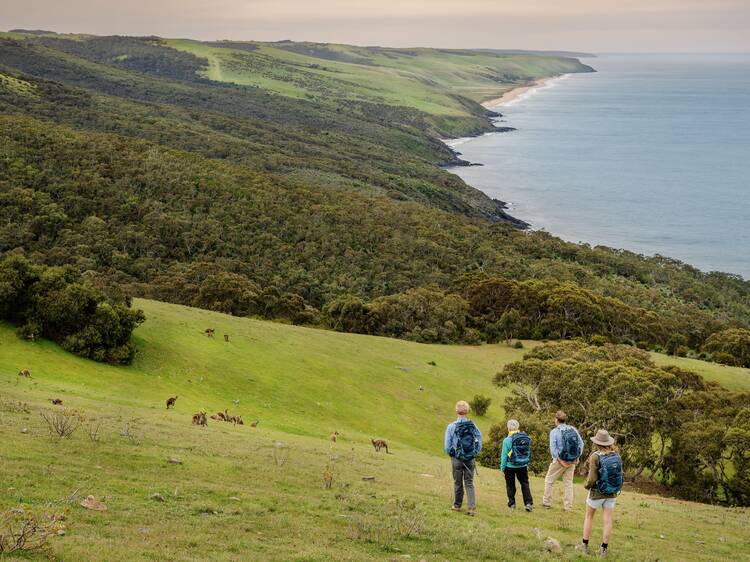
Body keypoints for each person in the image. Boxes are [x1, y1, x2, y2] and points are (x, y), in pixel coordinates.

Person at [580, 429, 623, 557]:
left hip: (597, 492)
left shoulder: (595, 456)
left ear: (597, 443)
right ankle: (603, 549)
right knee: (608, 520)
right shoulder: (616, 455)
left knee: (589, 517)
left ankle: (584, 546)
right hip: (612, 492)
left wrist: (587, 486)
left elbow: (592, 478)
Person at [444, 400, 482, 516]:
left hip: (457, 458)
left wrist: (452, 454)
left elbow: (447, 446)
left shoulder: (451, 426)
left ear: (456, 411)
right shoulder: (473, 426)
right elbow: (479, 441)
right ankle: (471, 507)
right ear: (467, 411)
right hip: (470, 458)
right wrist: (474, 453)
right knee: (469, 482)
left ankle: (457, 506)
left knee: (458, 482)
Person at [542, 410, 584, 511]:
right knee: (568, 483)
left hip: (559, 461)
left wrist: (560, 461)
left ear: (556, 420)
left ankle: (546, 503)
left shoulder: (554, 432)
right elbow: (581, 444)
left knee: (549, 480)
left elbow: (553, 450)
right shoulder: (572, 429)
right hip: (572, 461)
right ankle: (568, 507)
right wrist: (577, 458)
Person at [500, 419, 534, 511]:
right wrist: (526, 463)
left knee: (510, 485)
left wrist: (502, 468)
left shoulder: (507, 440)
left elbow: (504, 456)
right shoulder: (525, 437)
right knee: (525, 483)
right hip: (522, 465)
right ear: (518, 427)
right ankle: (528, 503)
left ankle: (512, 504)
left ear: (508, 428)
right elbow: (527, 452)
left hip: (510, 466)